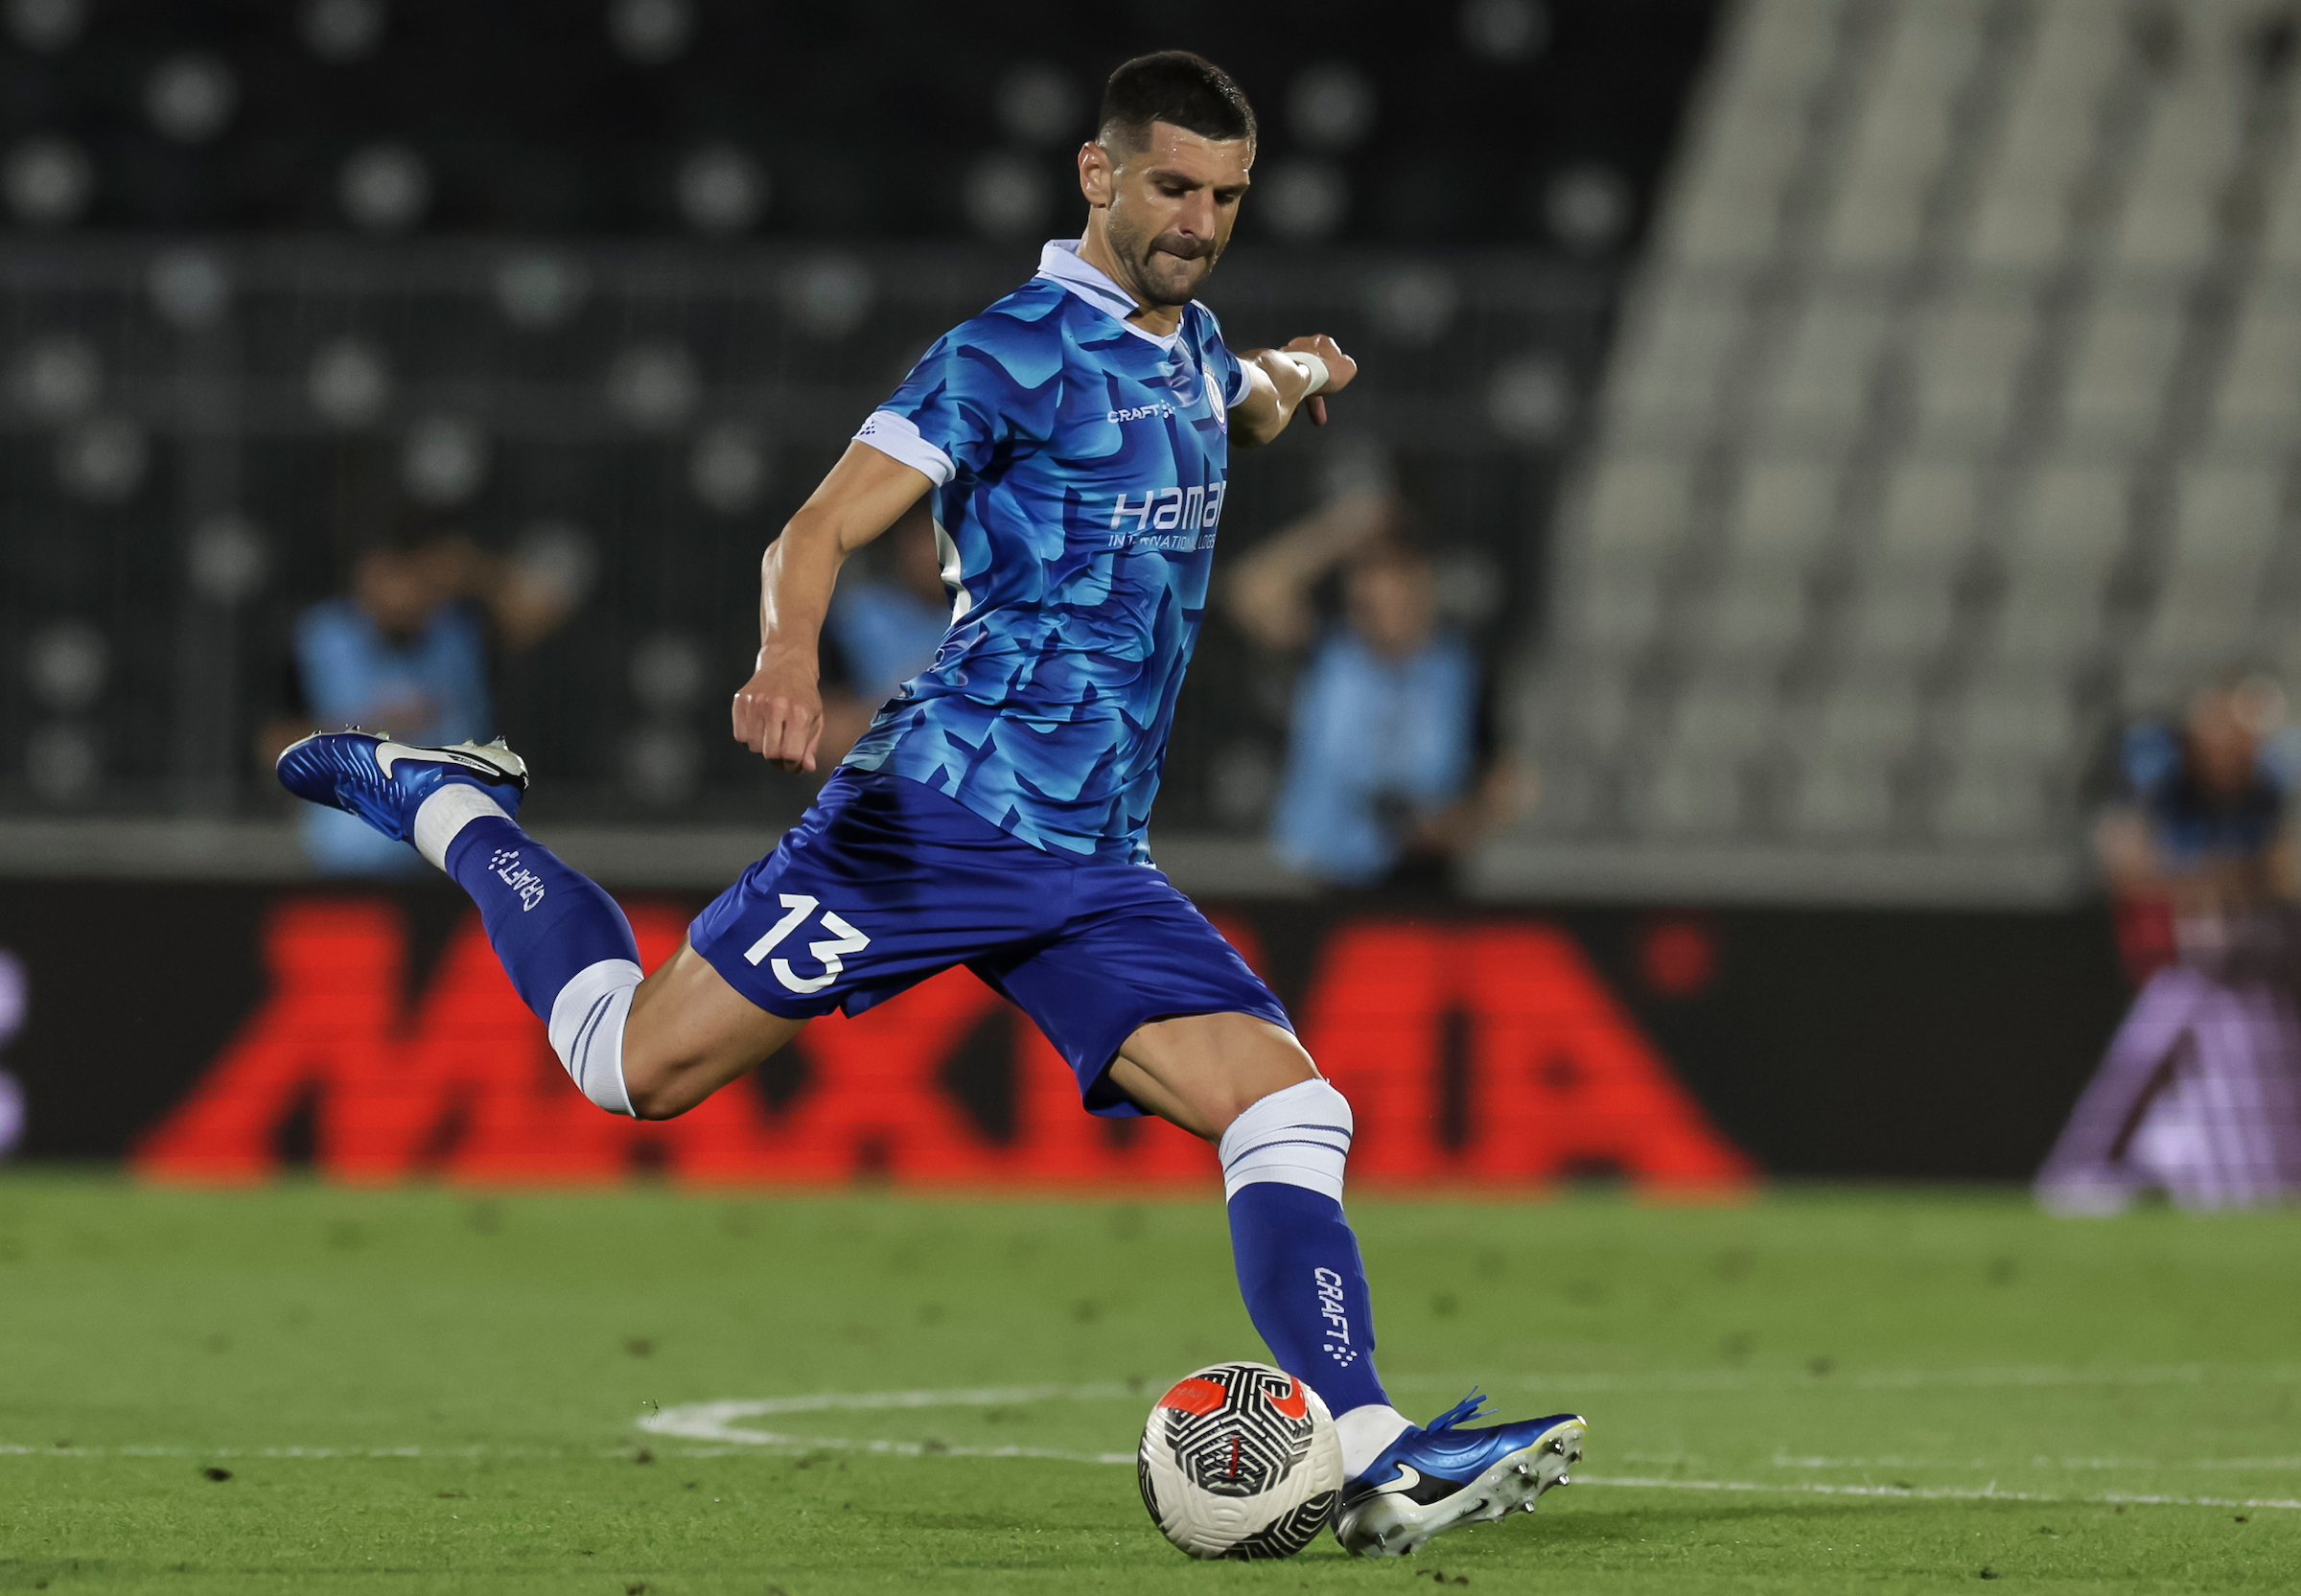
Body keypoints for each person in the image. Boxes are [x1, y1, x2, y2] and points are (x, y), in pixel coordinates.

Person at [274, 52, 1585, 1558]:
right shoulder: (1006, 352)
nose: (1198, 221)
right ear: (1097, 176)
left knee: (1289, 1106)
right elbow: (818, 526)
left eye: (1226, 195)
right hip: (939, 819)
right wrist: (783, 657)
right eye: (1171, 187)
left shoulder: (1192, 347)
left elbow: (1238, 393)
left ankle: (1372, 1452)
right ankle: (447, 802)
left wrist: (1301, 371)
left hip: (1094, 861)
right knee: (627, 1068)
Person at [2035, 670, 2301, 1211]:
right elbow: (2127, 864)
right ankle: (2092, 1171)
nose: (2237, 745)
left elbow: (2289, 873)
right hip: (2177, 967)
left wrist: (2210, 881)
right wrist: (2227, 880)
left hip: (2256, 977)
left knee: (2255, 1092)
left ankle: (2165, 1161)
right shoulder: (2156, 765)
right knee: (2141, 1063)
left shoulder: (2277, 776)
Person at [1227, 489, 1527, 888]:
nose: (1383, 596)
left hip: (1426, 881)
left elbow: (1506, 783)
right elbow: (1251, 592)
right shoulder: (1328, 656)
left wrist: (1459, 823)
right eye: (1369, 579)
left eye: (1397, 577)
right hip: (1326, 878)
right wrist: (1338, 531)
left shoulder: (1462, 668)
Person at [262, 525, 579, 875]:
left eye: (417, 578)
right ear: (367, 576)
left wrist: (475, 569)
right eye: (393, 577)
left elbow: (542, 609)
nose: (404, 594)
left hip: (457, 849)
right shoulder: (320, 638)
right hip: (350, 857)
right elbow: (274, 745)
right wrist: (376, 726)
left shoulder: (463, 633)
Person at [815, 497, 953, 771]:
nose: (936, 554)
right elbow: (828, 721)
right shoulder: (855, 615)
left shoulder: (992, 620)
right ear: (903, 542)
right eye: (926, 539)